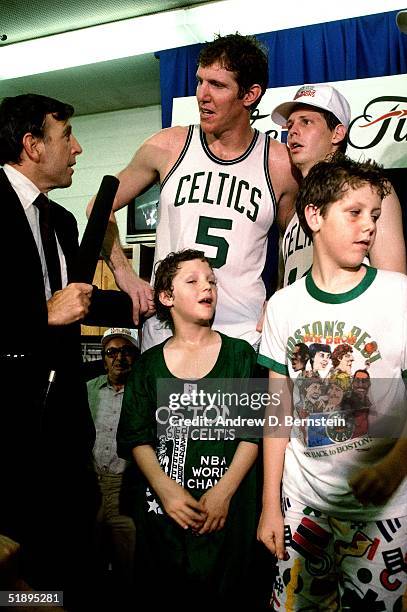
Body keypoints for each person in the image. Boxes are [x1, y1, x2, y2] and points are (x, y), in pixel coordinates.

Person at [0, 94, 133, 610]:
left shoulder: (60, 220)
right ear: (32, 145)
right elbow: (49, 310)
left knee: (67, 561)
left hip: (65, 425)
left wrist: (153, 295)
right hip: (9, 432)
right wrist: (40, 315)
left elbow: (73, 302)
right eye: (66, 136)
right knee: (18, 581)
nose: (78, 148)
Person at [257, 156, 407, 609]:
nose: (369, 228)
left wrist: (393, 466)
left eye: (375, 216)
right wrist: (269, 506)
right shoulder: (284, 306)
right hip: (303, 507)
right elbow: (277, 413)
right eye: (355, 213)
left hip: (385, 518)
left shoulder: (398, 295)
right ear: (315, 216)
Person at [88, 33, 299, 350]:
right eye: (200, 81)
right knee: (164, 401)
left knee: (243, 402)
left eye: (217, 85)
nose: (202, 94)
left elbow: (293, 242)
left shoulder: (280, 164)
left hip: (242, 336)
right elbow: (97, 207)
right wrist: (123, 273)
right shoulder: (167, 146)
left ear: (250, 94)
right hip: (167, 333)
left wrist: (282, 295)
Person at [117, 249, 259, 607]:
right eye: (192, 280)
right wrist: (165, 490)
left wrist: (224, 492)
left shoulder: (241, 356)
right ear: (167, 297)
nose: (207, 286)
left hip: (228, 523)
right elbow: (137, 437)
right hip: (166, 528)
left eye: (211, 280)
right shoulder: (148, 366)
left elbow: (254, 432)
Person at [270, 83, 406, 286]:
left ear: (337, 133)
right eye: (290, 125)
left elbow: (395, 286)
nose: (293, 132)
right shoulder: (291, 211)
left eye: (306, 122)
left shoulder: (372, 191)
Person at [87, 327, 139, 610]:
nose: (120, 358)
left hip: (125, 490)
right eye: (112, 352)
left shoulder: (142, 391)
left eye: (127, 351)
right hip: (92, 485)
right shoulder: (87, 389)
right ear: (104, 358)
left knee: (128, 566)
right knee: (90, 562)